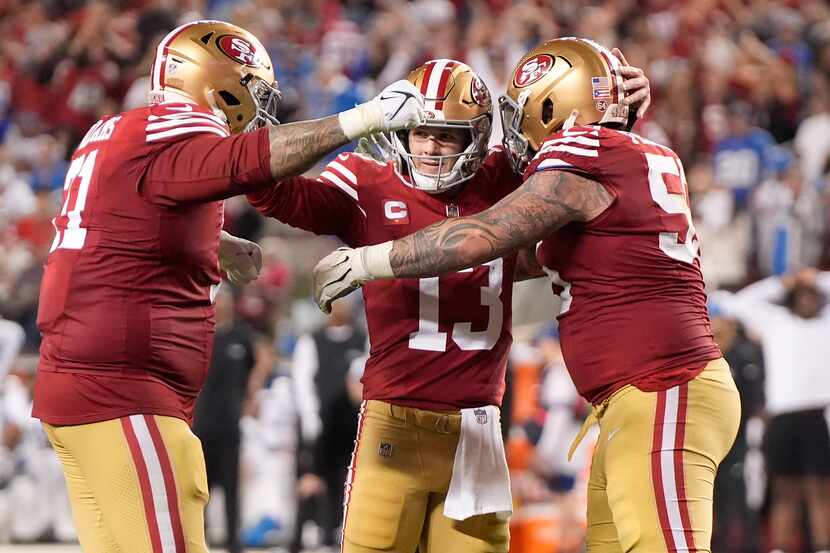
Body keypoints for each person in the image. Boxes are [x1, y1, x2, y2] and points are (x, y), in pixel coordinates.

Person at [313, 37, 741, 553]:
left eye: (522, 113)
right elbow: (517, 256)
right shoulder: (633, 155)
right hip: (636, 398)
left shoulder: (578, 155)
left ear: (555, 107)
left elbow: (482, 236)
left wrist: (370, 261)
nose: (514, 134)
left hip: (664, 387)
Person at [30, 19, 426, 553]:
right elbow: (249, 160)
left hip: (80, 388)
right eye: (253, 92)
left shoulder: (118, 133)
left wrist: (217, 244)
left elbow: (122, 224)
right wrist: (363, 118)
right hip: (124, 395)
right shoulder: (172, 131)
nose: (257, 110)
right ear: (218, 85)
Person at [247, 53, 650, 552]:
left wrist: (617, 112)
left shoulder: (507, 175)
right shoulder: (368, 180)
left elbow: (591, 157)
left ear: (478, 137)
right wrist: (354, 120)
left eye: (448, 134)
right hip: (392, 419)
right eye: (421, 131)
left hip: (478, 429)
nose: (433, 146)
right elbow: (267, 188)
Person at [713, 268, 830, 553]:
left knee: (819, 491)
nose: (806, 300)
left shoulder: (826, 324)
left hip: (818, 417)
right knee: (783, 490)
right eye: (800, 295)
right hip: (782, 419)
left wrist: (814, 278)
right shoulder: (775, 322)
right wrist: (781, 282)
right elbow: (735, 302)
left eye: (811, 295)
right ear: (789, 298)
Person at [192, 286, 267, 553]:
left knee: (232, 485)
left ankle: (234, 542)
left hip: (230, 423)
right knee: (200, 488)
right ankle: (201, 540)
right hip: (200, 423)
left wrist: (251, 395)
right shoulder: (200, 334)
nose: (222, 305)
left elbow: (259, 362)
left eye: (225, 300)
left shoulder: (240, 336)